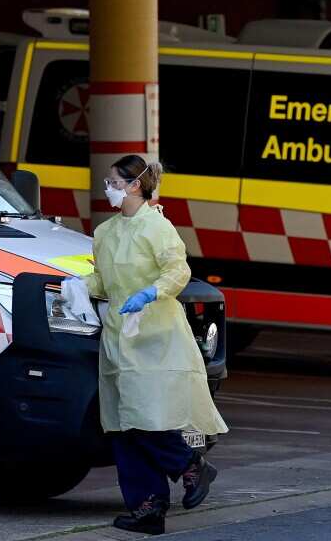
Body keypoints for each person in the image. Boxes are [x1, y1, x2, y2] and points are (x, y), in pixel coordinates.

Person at [77, 155, 229, 536]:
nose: (107, 187)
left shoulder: (157, 228)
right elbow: (103, 281)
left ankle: (189, 465)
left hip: (156, 336)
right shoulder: (105, 233)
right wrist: (78, 285)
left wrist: (151, 292)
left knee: (146, 416)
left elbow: (178, 271)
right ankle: (148, 506)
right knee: (124, 425)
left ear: (134, 185)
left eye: (113, 181)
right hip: (119, 336)